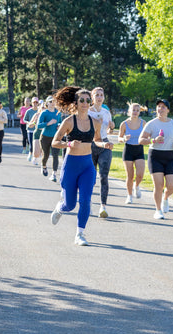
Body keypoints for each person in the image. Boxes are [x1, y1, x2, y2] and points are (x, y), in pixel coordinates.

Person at [50, 87, 111, 246]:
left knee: (85, 200)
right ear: (76, 103)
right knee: (70, 205)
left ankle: (80, 234)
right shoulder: (69, 121)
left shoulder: (96, 122)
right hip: (71, 166)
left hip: (87, 166)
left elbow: (96, 140)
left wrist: (104, 143)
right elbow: (55, 142)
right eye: (81, 100)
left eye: (87, 100)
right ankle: (60, 208)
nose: (85, 103)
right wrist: (68, 143)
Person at [139, 99, 173, 219]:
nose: (160, 109)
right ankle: (158, 210)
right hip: (156, 156)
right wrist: (153, 140)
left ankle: (166, 198)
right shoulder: (152, 124)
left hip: (171, 156)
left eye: (163, 107)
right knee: (158, 185)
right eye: (158, 106)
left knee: (171, 186)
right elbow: (141, 140)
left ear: (168, 110)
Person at [88, 87, 115, 218]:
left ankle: (103, 206)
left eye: (101, 95)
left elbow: (109, 131)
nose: (99, 97)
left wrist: (111, 127)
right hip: (90, 145)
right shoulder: (87, 112)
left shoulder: (106, 112)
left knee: (104, 176)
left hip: (104, 144)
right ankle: (87, 203)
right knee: (90, 177)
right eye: (97, 95)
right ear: (92, 98)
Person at [118, 102, 146, 204]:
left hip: (139, 150)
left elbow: (147, 136)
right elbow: (119, 138)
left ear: (139, 112)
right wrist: (123, 138)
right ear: (129, 111)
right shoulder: (124, 124)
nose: (135, 112)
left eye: (137, 110)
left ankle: (137, 186)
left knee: (140, 174)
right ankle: (129, 196)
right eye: (133, 110)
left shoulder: (143, 123)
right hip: (128, 150)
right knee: (130, 175)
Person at [37, 96, 62, 182]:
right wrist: (48, 123)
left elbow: (61, 122)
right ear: (47, 103)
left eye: (54, 101)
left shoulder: (58, 113)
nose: (52, 103)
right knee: (46, 155)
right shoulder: (44, 113)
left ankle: (54, 174)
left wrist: (59, 125)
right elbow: (38, 125)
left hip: (55, 137)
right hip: (45, 137)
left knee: (55, 155)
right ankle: (43, 166)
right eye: (51, 101)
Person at [24, 97, 40, 162]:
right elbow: (24, 119)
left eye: (36, 102)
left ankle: (35, 156)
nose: (35, 104)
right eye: (34, 102)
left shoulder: (40, 111)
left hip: (38, 130)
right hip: (30, 129)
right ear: (32, 103)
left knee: (37, 144)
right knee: (31, 143)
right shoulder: (29, 111)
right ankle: (30, 153)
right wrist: (29, 123)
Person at [30, 100, 45, 165]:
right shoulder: (36, 115)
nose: (43, 109)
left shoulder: (48, 115)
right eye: (42, 107)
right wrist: (34, 121)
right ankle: (35, 158)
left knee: (44, 151)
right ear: (39, 107)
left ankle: (43, 162)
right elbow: (30, 125)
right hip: (37, 132)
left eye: (44, 107)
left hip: (45, 133)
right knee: (36, 152)